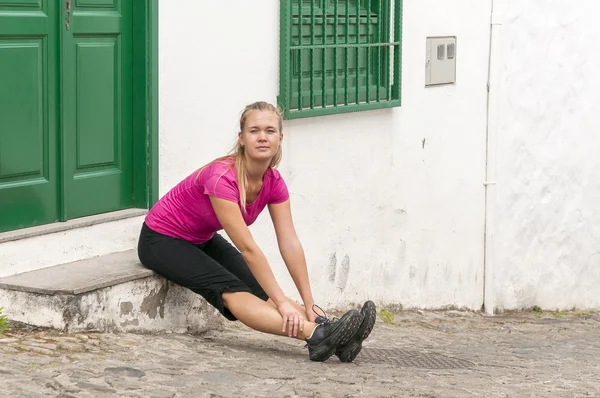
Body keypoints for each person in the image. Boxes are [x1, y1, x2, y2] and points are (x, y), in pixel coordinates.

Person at [137, 101, 376, 362]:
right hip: (161, 240)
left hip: (201, 239)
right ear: (241, 138)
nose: (262, 137)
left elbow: (290, 243)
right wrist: (282, 302)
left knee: (264, 291)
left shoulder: (273, 182)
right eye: (254, 131)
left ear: (280, 138)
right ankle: (318, 335)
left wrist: (310, 304)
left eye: (270, 131)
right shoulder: (221, 178)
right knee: (231, 289)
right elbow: (248, 249)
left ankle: (334, 335)